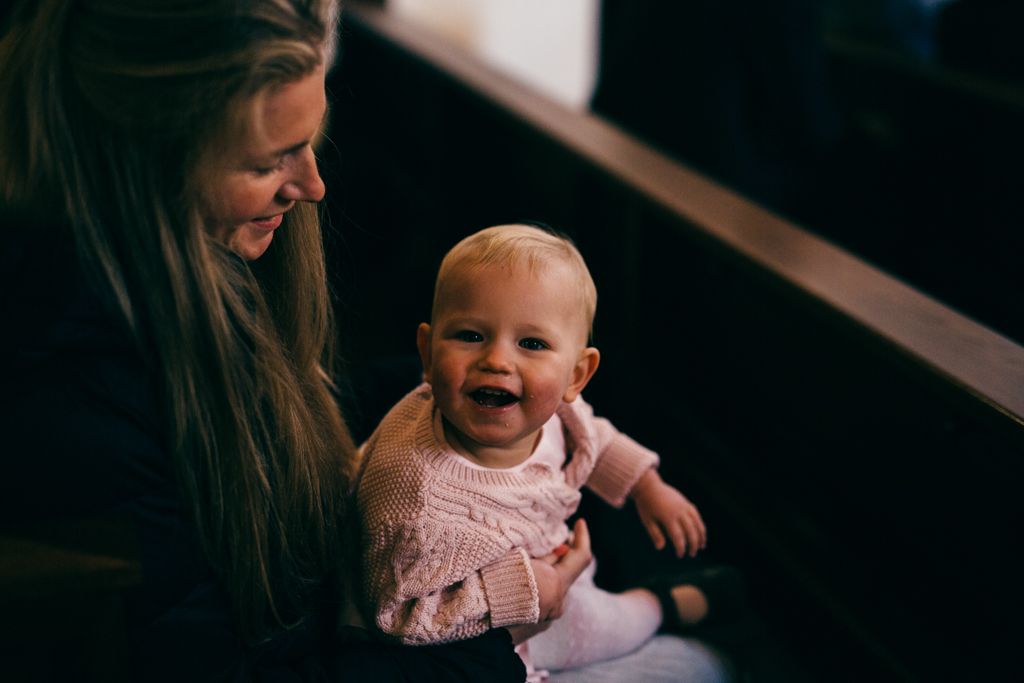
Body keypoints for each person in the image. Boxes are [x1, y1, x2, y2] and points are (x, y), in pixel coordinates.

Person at [0, 1, 529, 680]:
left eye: (310, 141)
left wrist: (471, 381)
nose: (312, 185)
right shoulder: (70, 411)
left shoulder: (181, 264)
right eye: (268, 161)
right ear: (146, 162)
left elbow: (280, 433)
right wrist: (490, 632)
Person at [356, 224, 745, 680]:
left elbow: (592, 436)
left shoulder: (557, 408)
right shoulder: (415, 499)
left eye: (532, 344)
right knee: (616, 629)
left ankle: (656, 603)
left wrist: (647, 486)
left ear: (576, 376)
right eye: (469, 335)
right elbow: (397, 615)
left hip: (555, 570)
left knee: (601, 608)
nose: (497, 360)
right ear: (426, 351)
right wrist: (520, 590)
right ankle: (660, 606)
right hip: (495, 629)